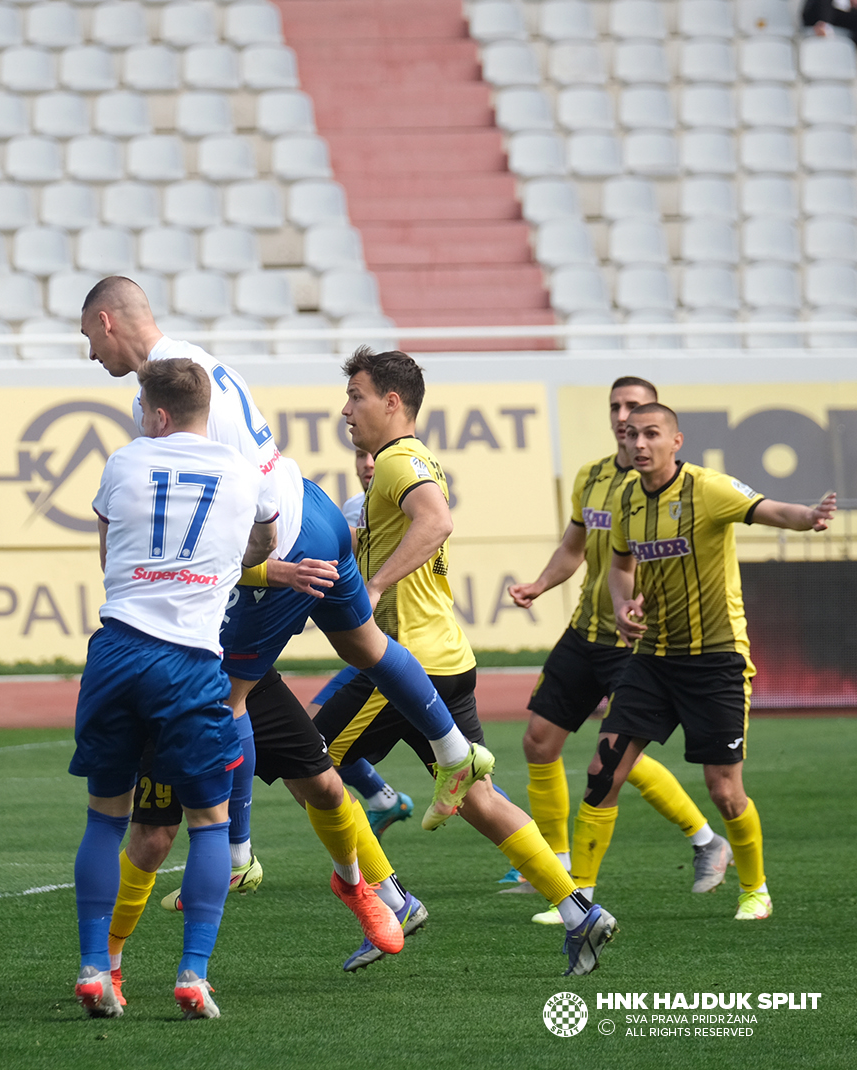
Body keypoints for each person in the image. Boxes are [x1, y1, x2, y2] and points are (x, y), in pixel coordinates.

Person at [83, 278, 486, 980]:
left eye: (88, 337)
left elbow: (233, 534)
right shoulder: (198, 364)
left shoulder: (153, 421)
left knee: (207, 738)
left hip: (260, 568)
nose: (89, 353)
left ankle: (230, 864)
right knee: (341, 722)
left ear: (107, 321)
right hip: (313, 509)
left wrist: (270, 573)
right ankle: (434, 788)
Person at [314, 346, 619, 976]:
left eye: (357, 396)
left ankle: (391, 899)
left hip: (407, 663)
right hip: (446, 655)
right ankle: (578, 912)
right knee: (477, 795)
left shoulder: (398, 461)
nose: (346, 410)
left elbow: (437, 522)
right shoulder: (410, 459)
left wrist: (371, 590)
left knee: (311, 764)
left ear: (392, 402)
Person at [570, 403, 837, 923]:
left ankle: (755, 888)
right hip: (652, 659)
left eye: (652, 434)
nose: (640, 443)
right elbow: (621, 567)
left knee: (724, 790)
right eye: (632, 435)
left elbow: (771, 509)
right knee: (603, 771)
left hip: (715, 661)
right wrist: (624, 604)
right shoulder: (626, 498)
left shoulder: (707, 488)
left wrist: (808, 518)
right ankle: (577, 897)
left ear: (676, 442)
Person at [69, 357, 273, 1019]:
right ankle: (192, 975)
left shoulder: (124, 463)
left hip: (118, 647)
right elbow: (264, 540)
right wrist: (220, 561)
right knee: (209, 824)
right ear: (202, 411)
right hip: (189, 660)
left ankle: (97, 968)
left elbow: (108, 552)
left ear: (156, 415)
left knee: (106, 817)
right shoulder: (243, 473)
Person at [502, 378, 728, 924]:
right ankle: (553, 870)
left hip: (642, 642)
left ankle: (705, 841)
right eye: (616, 408)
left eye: (635, 408)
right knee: (539, 742)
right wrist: (538, 584)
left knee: (618, 760)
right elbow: (573, 548)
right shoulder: (593, 476)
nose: (623, 417)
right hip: (587, 630)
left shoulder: (682, 489)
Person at [319, 447, 416, 840]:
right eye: (360, 456)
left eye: (374, 456)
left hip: (405, 650)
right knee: (312, 738)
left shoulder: (409, 502)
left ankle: (365, 869)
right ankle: (380, 798)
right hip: (371, 648)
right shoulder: (352, 508)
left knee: (457, 767)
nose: (367, 463)